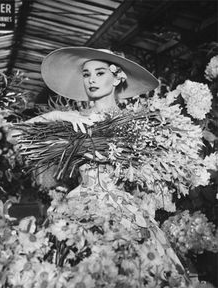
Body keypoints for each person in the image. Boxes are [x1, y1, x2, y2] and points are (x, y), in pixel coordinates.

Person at [19, 47, 191, 287]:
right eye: (87, 74)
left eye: (100, 73)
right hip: (77, 206)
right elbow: (17, 134)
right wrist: (58, 116)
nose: (92, 80)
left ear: (117, 77)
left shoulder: (138, 121)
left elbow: (152, 169)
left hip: (122, 210)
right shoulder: (75, 120)